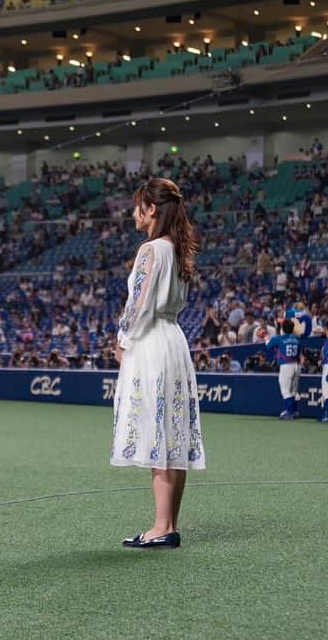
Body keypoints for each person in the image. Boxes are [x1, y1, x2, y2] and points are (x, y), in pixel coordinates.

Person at [113, 178, 204, 550]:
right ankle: (168, 524)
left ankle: (160, 527)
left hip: (151, 343)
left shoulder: (151, 250)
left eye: (139, 206)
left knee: (157, 433)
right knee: (174, 435)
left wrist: (122, 340)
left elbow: (139, 303)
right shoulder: (178, 248)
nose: (135, 213)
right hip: (173, 340)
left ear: (152, 209)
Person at [266, 319, 300, 419]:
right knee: (294, 391)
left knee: (285, 391)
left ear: (282, 328)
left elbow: (268, 346)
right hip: (296, 365)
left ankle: (289, 413)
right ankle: (294, 411)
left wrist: (266, 338)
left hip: (286, 366)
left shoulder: (278, 338)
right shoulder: (297, 339)